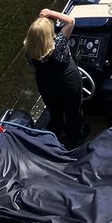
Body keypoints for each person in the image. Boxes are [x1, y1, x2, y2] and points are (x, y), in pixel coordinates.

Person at [24, 8, 86, 149]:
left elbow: (32, 65)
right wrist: (49, 12)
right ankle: (76, 137)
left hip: (45, 84)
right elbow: (70, 21)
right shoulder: (58, 44)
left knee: (55, 110)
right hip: (68, 82)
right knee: (73, 111)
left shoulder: (29, 51)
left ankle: (60, 133)